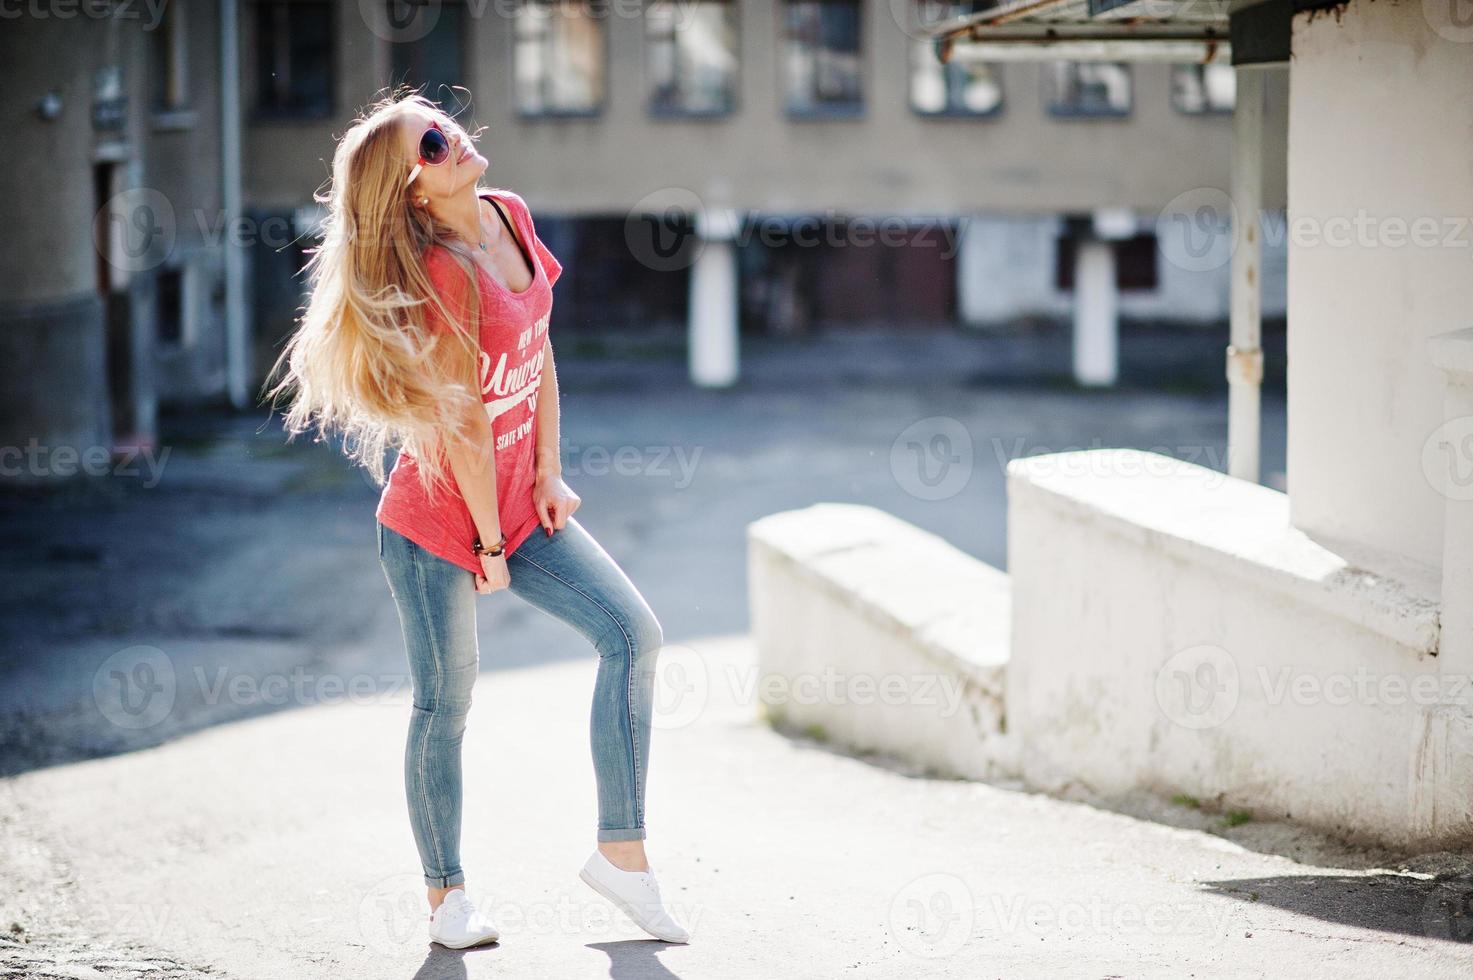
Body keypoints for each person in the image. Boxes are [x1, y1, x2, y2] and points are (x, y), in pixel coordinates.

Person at [264, 92, 690, 949]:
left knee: (632, 636)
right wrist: (487, 541)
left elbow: (537, 352)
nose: (452, 139)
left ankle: (622, 855)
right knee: (445, 704)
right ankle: (446, 899)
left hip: (516, 505)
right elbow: (457, 420)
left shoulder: (510, 216)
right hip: (433, 523)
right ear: (412, 189)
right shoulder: (442, 272)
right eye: (430, 142)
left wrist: (548, 473)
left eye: (445, 124)